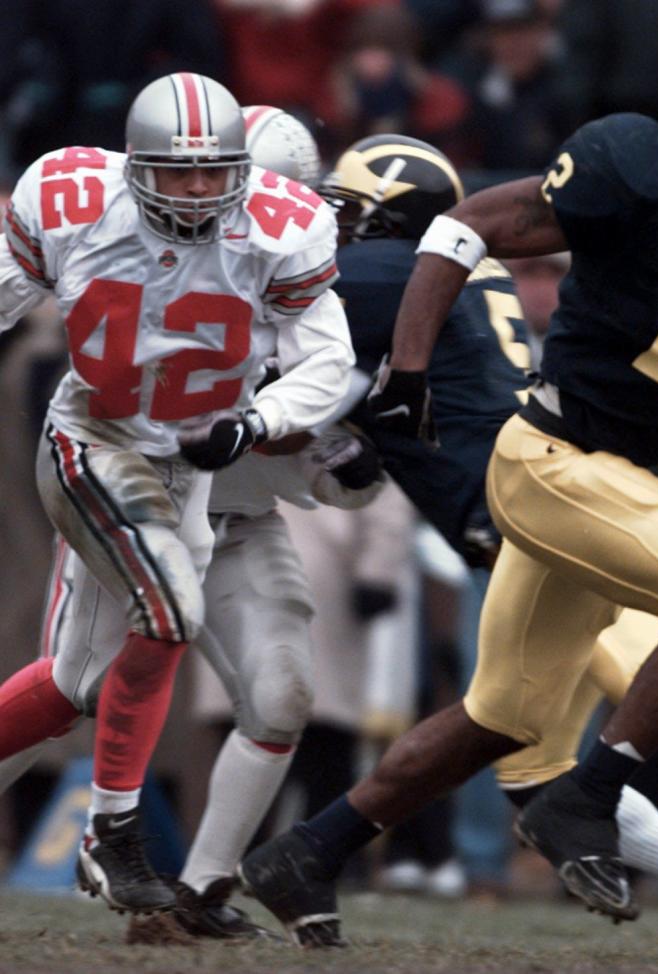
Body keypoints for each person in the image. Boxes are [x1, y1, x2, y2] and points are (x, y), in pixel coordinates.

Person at [242, 36, 658, 943]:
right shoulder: (637, 167)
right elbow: (465, 223)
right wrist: (408, 366)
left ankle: (308, 852)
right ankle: (593, 798)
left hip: (626, 470)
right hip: (552, 455)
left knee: (499, 717)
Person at [0, 74, 355, 914]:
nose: (199, 191)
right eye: (177, 172)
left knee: (78, 684)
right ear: (134, 166)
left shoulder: (282, 228)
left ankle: (131, 846)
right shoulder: (71, 199)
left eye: (214, 172)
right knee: (169, 613)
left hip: (191, 469)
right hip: (99, 437)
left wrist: (260, 421)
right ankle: (111, 837)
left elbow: (327, 363)